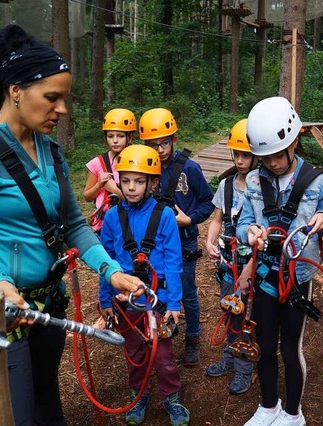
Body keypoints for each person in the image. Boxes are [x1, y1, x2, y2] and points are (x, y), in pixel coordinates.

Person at [0, 25, 144, 426]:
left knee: (48, 398)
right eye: (52, 98)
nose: (62, 109)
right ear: (16, 90)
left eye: (63, 98)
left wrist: (112, 270)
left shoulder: (50, 151)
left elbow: (73, 225)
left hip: (49, 306)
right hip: (1, 314)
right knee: (18, 413)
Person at [236, 96, 323, 426]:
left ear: (294, 141)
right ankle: (269, 407)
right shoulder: (254, 182)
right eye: (264, 158)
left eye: (277, 156)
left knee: (289, 349)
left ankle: (294, 415)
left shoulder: (315, 180)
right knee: (264, 344)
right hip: (266, 274)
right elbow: (241, 225)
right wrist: (250, 232)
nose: (272, 163)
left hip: (298, 276)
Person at [98, 144, 190, 426]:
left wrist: (174, 303)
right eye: (125, 181)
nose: (131, 188)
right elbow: (107, 261)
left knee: (162, 354)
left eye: (139, 181)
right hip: (125, 299)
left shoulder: (164, 215)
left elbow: (174, 261)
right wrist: (105, 300)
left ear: (152, 182)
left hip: (157, 297)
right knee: (134, 350)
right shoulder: (113, 216)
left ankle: (171, 396)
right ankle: (139, 393)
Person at [139, 107, 214, 366]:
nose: (159, 149)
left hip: (184, 239)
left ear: (174, 140)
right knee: (159, 287)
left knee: (186, 291)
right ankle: (167, 329)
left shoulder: (189, 169)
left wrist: (189, 219)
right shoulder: (145, 171)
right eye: (153, 144)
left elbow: (208, 202)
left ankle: (193, 336)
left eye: (164, 143)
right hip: (156, 242)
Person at [204, 118, 257, 395]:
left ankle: (245, 369)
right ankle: (230, 356)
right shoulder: (225, 185)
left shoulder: (261, 187)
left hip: (253, 263)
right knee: (229, 309)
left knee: (246, 315)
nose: (240, 160)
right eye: (236, 154)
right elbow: (217, 218)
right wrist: (210, 239)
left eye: (246, 154)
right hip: (229, 260)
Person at [83, 108, 137, 234]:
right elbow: (87, 197)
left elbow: (140, 200)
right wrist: (99, 185)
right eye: (110, 136)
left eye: (120, 136)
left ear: (130, 137)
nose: (115, 141)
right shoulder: (98, 163)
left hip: (132, 222)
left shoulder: (137, 160)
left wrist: (114, 190)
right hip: (105, 226)